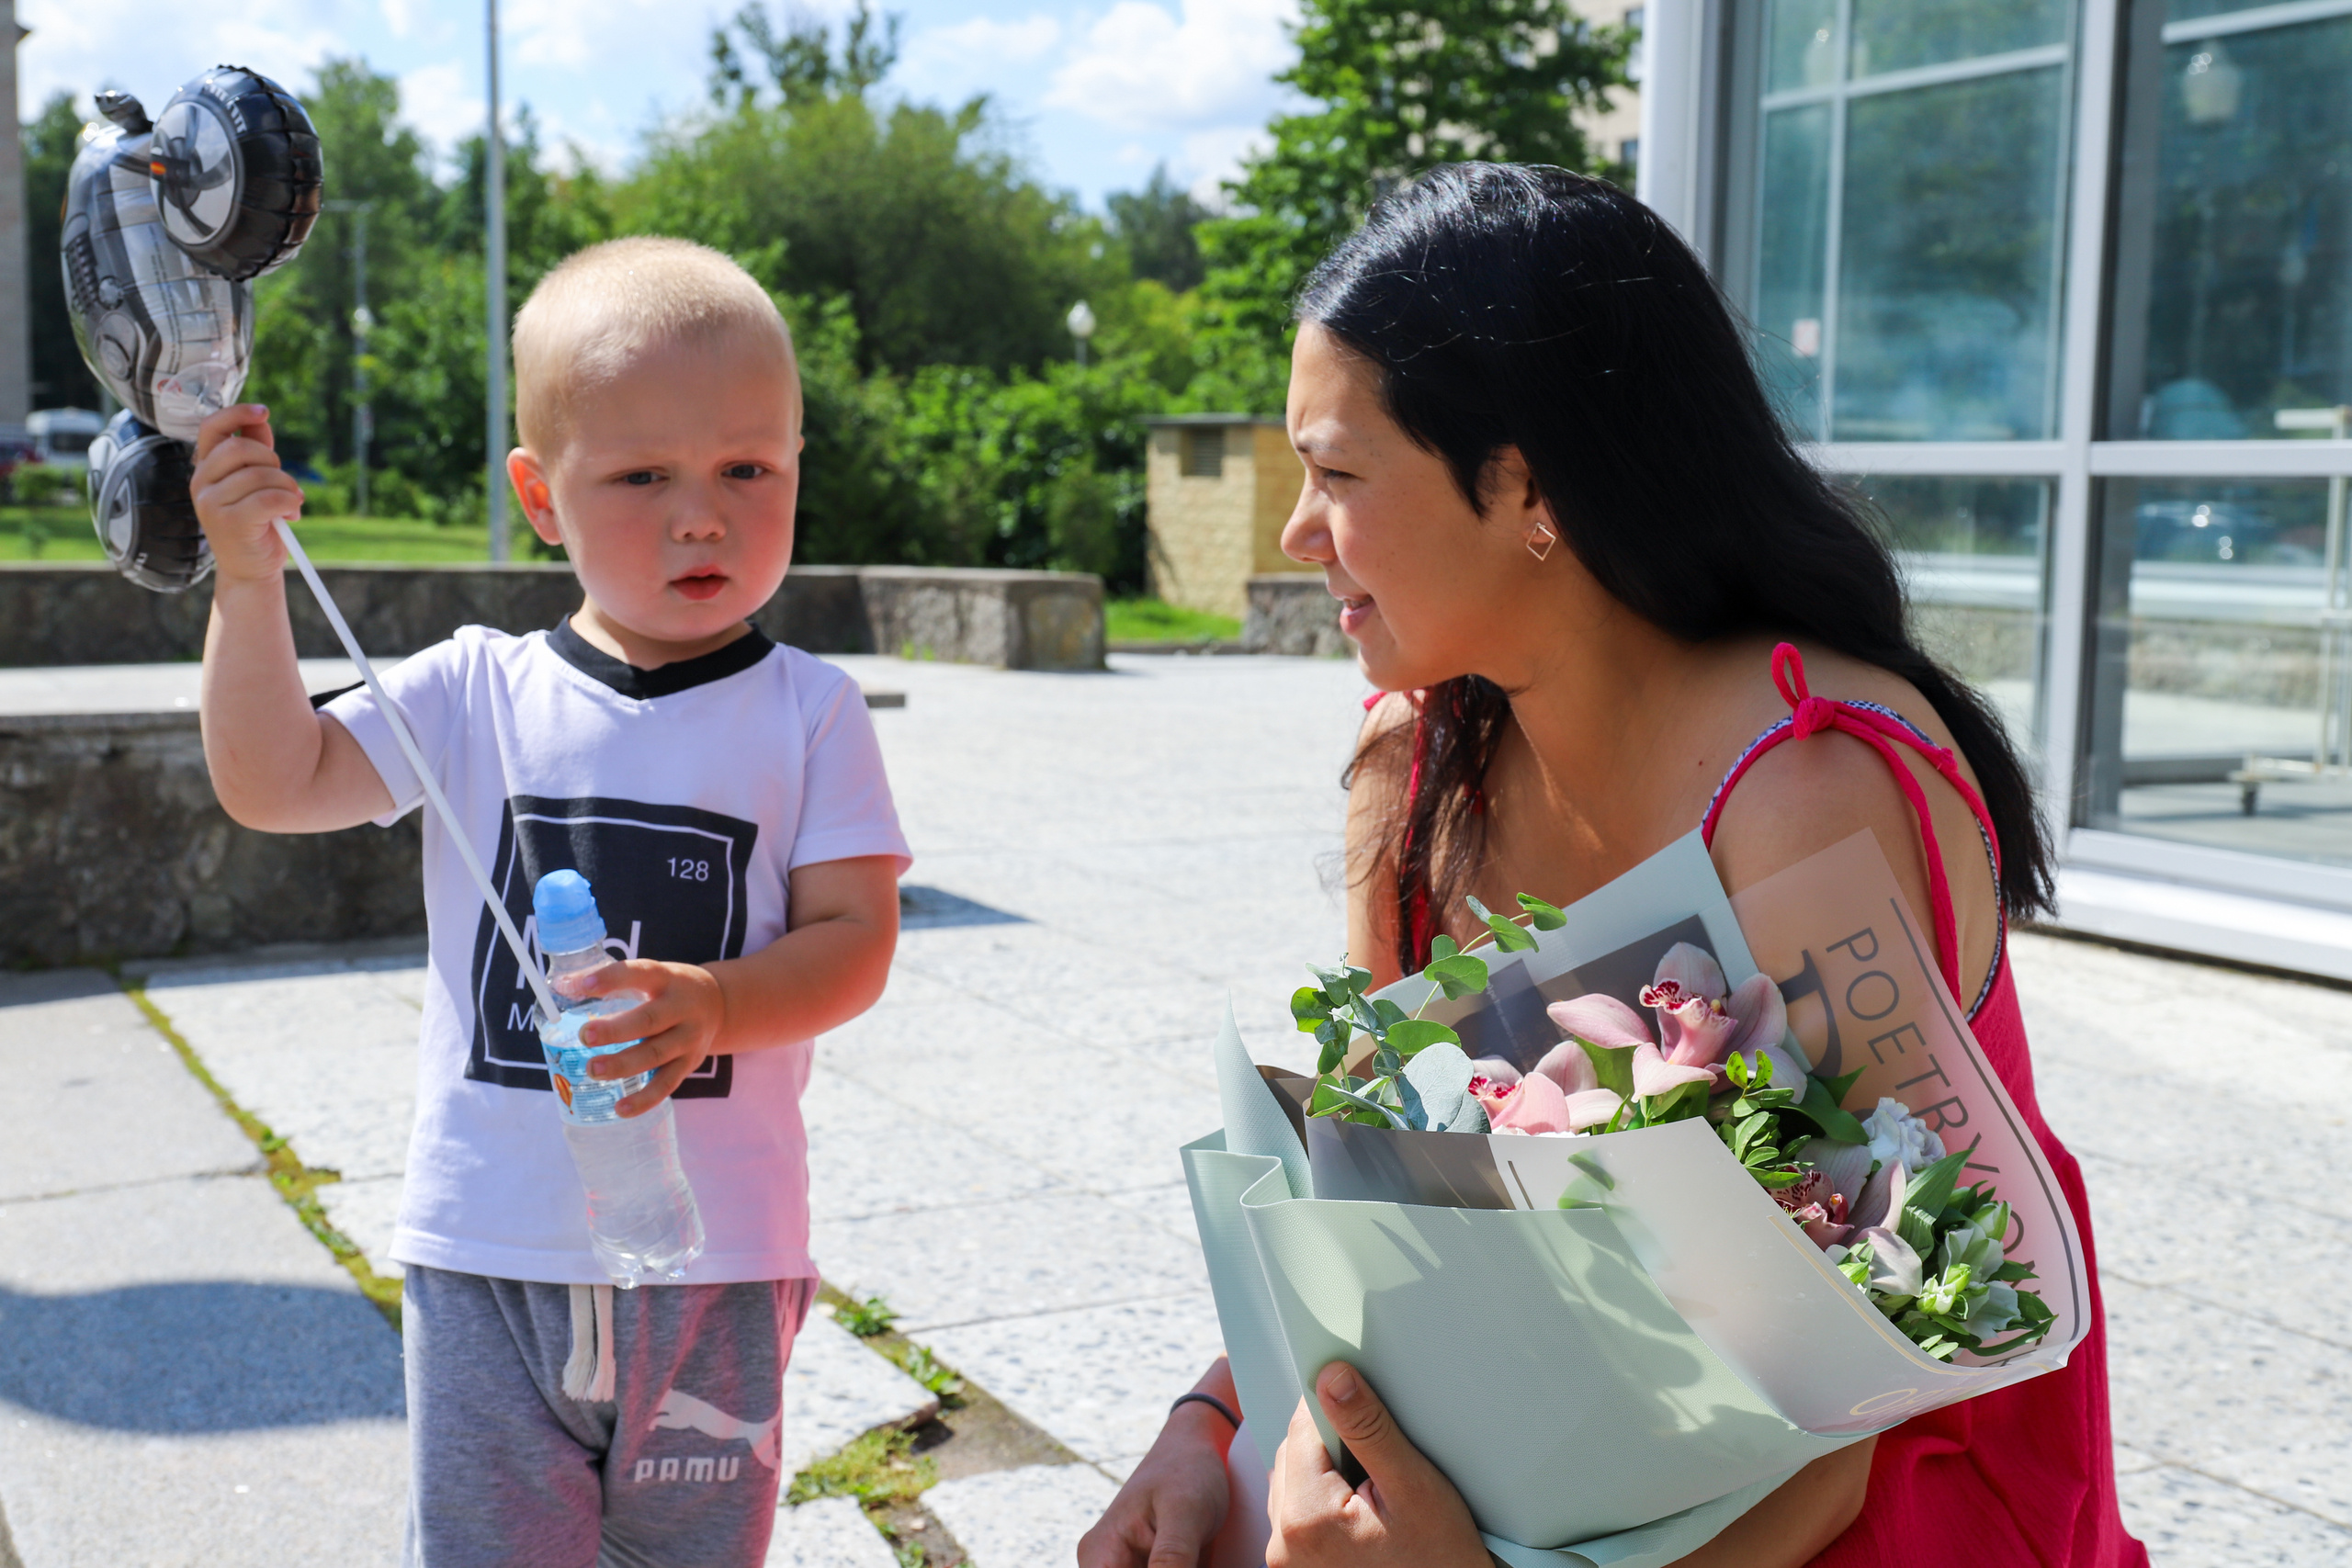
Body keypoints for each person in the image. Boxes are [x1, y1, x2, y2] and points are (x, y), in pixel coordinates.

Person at [1080, 164, 2145, 1568]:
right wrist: (1200, 1426)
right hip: (1564, 1461)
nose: (1295, 531)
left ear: (1525, 484)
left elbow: (1898, 1365)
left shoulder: (1802, 790)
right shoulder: (1415, 764)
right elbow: (1369, 1217)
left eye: (1337, 473)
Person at [191, 236, 911, 1566]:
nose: (703, 515)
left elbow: (856, 944)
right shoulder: (474, 691)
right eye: (644, 476)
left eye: (747, 469)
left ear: (798, 467)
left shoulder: (812, 711)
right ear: (539, 494)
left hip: (720, 1268)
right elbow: (274, 780)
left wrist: (713, 1004)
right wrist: (248, 583)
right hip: (489, 1255)